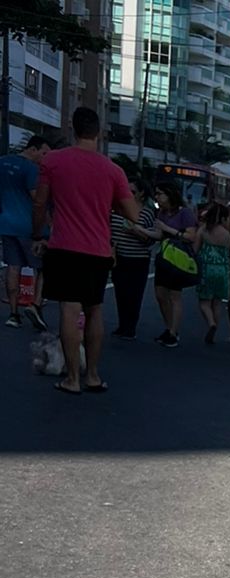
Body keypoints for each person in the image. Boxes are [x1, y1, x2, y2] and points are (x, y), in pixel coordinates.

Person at [31, 106, 136, 395]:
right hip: (98, 250)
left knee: (69, 308)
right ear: (99, 132)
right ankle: (92, 375)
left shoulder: (53, 161)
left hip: (64, 246)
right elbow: (133, 213)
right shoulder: (113, 170)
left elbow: (40, 203)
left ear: (72, 128)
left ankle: (72, 379)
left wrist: (38, 233)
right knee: (95, 310)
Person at [2, 134, 49, 329]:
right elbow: (37, 199)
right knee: (43, 266)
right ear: (33, 149)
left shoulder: (2, 162)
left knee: (13, 267)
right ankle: (35, 305)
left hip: (6, 223)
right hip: (30, 226)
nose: (45, 158)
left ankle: (13, 314)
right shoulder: (32, 169)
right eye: (44, 153)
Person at [108, 170, 158, 339]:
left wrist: (134, 231)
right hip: (118, 257)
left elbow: (150, 239)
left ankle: (130, 327)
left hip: (138, 258)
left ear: (141, 194)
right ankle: (122, 325)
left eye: (133, 192)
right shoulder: (116, 209)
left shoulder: (147, 213)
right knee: (120, 292)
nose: (128, 194)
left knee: (134, 294)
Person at [149, 179, 198, 346]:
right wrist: (139, 230)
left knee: (175, 295)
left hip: (178, 257)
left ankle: (173, 331)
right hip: (164, 257)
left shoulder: (185, 213)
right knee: (160, 294)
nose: (157, 198)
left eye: (159, 194)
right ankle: (168, 327)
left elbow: (191, 236)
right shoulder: (161, 213)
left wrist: (167, 229)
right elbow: (158, 234)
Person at [193, 201, 230, 345]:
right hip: (222, 269)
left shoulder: (204, 230)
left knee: (204, 301)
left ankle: (211, 322)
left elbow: (195, 249)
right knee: (217, 302)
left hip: (206, 267)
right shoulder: (227, 234)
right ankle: (215, 324)